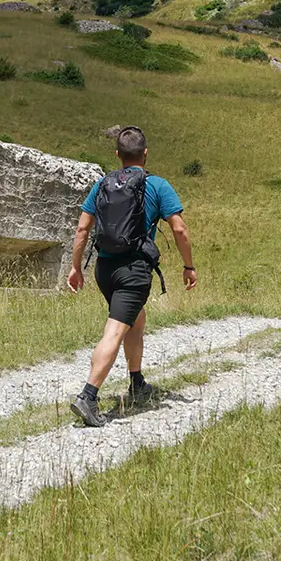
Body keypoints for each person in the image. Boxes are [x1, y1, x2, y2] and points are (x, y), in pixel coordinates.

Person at [67, 126, 196, 427]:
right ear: (146, 153)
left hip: (104, 269)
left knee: (135, 319)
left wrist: (76, 268)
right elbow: (179, 229)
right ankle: (88, 395)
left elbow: (82, 229)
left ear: (118, 155)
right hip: (134, 271)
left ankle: (137, 382)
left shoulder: (102, 184)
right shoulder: (158, 185)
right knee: (115, 330)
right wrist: (188, 266)